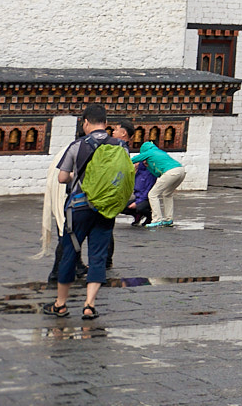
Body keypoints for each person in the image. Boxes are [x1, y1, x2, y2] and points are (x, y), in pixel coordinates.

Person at [49, 104, 124, 320]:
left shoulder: (77, 145)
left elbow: (62, 178)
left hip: (79, 208)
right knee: (98, 256)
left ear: (85, 123)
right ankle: (89, 305)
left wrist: (77, 178)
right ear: (106, 124)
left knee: (70, 253)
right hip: (105, 209)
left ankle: (61, 304)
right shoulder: (120, 146)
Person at [133, 132, 185, 229]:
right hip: (181, 171)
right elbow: (157, 174)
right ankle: (168, 219)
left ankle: (157, 219)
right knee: (167, 194)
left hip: (171, 172)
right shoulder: (159, 152)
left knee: (152, 194)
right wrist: (147, 166)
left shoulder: (148, 152)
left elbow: (134, 159)